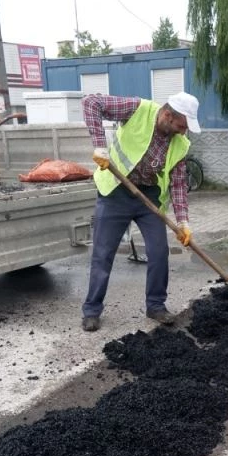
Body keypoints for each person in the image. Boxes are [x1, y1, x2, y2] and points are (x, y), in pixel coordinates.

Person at [81, 92, 200, 332]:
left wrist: (183, 222)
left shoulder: (181, 144)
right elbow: (91, 102)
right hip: (116, 191)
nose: (183, 131)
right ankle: (92, 310)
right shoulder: (138, 109)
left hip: (149, 198)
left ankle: (155, 305)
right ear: (168, 115)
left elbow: (178, 184)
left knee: (159, 251)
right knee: (103, 253)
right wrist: (100, 146)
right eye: (181, 125)